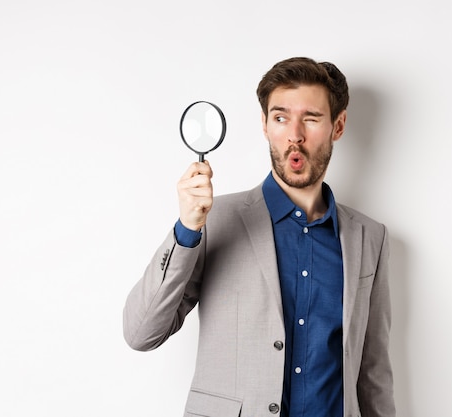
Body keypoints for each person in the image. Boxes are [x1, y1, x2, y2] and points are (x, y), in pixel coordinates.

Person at [123, 57, 395, 417]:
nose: (294, 134)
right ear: (266, 125)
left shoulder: (369, 238)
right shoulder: (213, 220)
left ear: (338, 125)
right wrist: (187, 229)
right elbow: (141, 333)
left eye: (311, 118)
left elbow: (373, 374)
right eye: (280, 118)